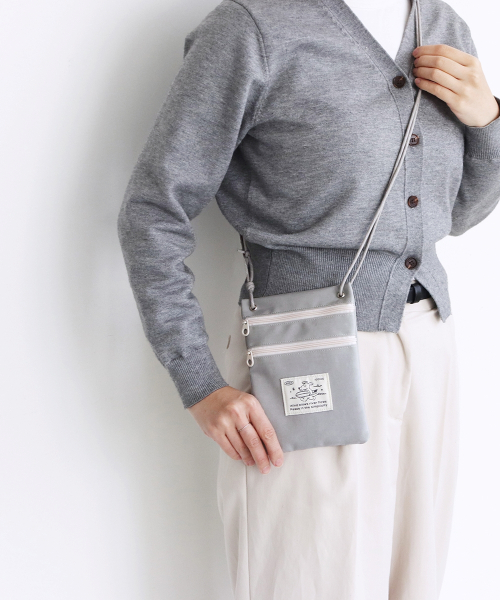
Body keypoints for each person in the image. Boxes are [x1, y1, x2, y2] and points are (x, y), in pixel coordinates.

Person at [117, 0, 500, 597]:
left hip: (429, 342)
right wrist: (199, 382)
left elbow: (455, 214)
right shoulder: (252, 29)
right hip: (304, 347)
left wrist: (489, 121)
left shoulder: (443, 25)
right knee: (310, 580)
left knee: (417, 583)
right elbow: (152, 213)